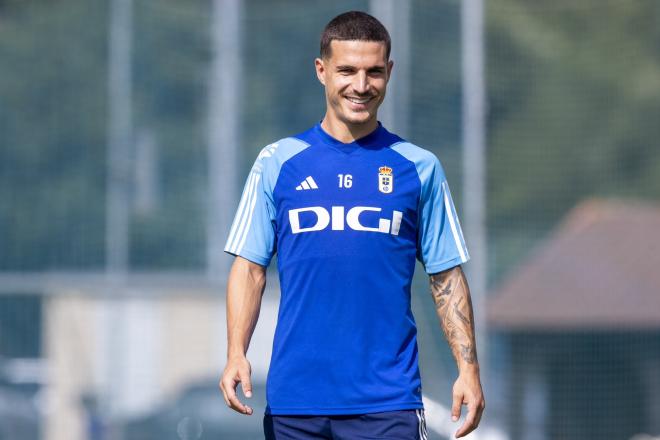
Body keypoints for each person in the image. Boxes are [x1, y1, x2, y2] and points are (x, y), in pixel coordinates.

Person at [219, 10, 485, 440]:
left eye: (374, 72)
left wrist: (468, 371)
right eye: (347, 71)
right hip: (295, 403)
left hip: (388, 403)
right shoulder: (276, 162)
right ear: (321, 70)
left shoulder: (419, 168)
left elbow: (446, 277)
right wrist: (235, 353)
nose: (361, 86)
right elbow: (249, 269)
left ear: (389, 72)